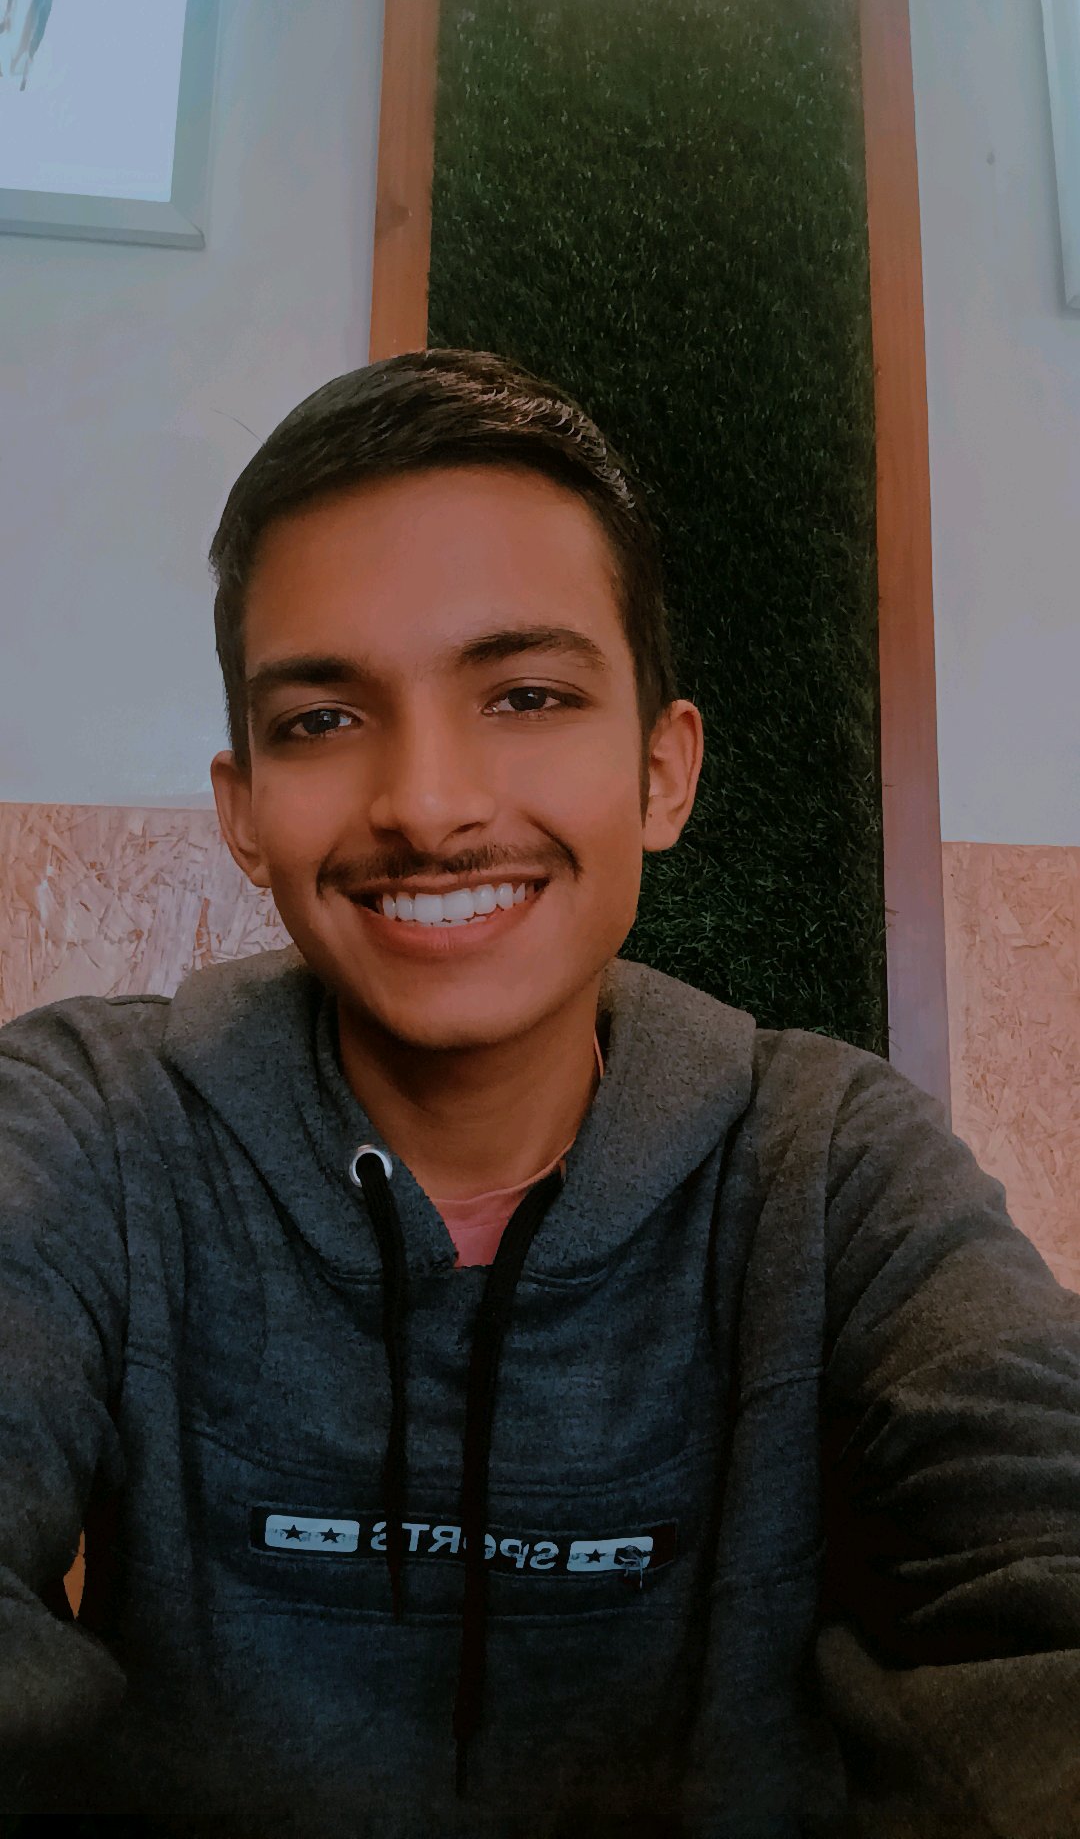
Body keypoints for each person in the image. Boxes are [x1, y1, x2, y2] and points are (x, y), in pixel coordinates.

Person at [1, 349, 1078, 1838]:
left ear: (662, 771)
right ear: (242, 809)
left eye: (525, 694)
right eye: (322, 719)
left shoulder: (835, 1169)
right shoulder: (86, 1122)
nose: (428, 804)